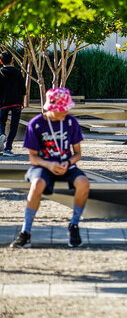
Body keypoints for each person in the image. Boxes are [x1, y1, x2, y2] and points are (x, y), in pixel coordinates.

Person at [10, 87, 90, 248]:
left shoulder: (70, 122)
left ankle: (74, 224)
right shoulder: (36, 124)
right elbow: (33, 157)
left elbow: (78, 154)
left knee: (83, 183)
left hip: (66, 164)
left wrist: (68, 163)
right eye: (62, 109)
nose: (65, 111)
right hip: (43, 164)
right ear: (52, 108)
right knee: (37, 183)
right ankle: (25, 231)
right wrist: (49, 164)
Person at [0, 51, 26, 157]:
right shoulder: (17, 72)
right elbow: (23, 89)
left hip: (3, 103)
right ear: (12, 61)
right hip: (16, 102)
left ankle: (1, 134)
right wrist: (22, 102)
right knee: (14, 126)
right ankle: (8, 148)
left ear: (1, 61)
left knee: (1, 121)